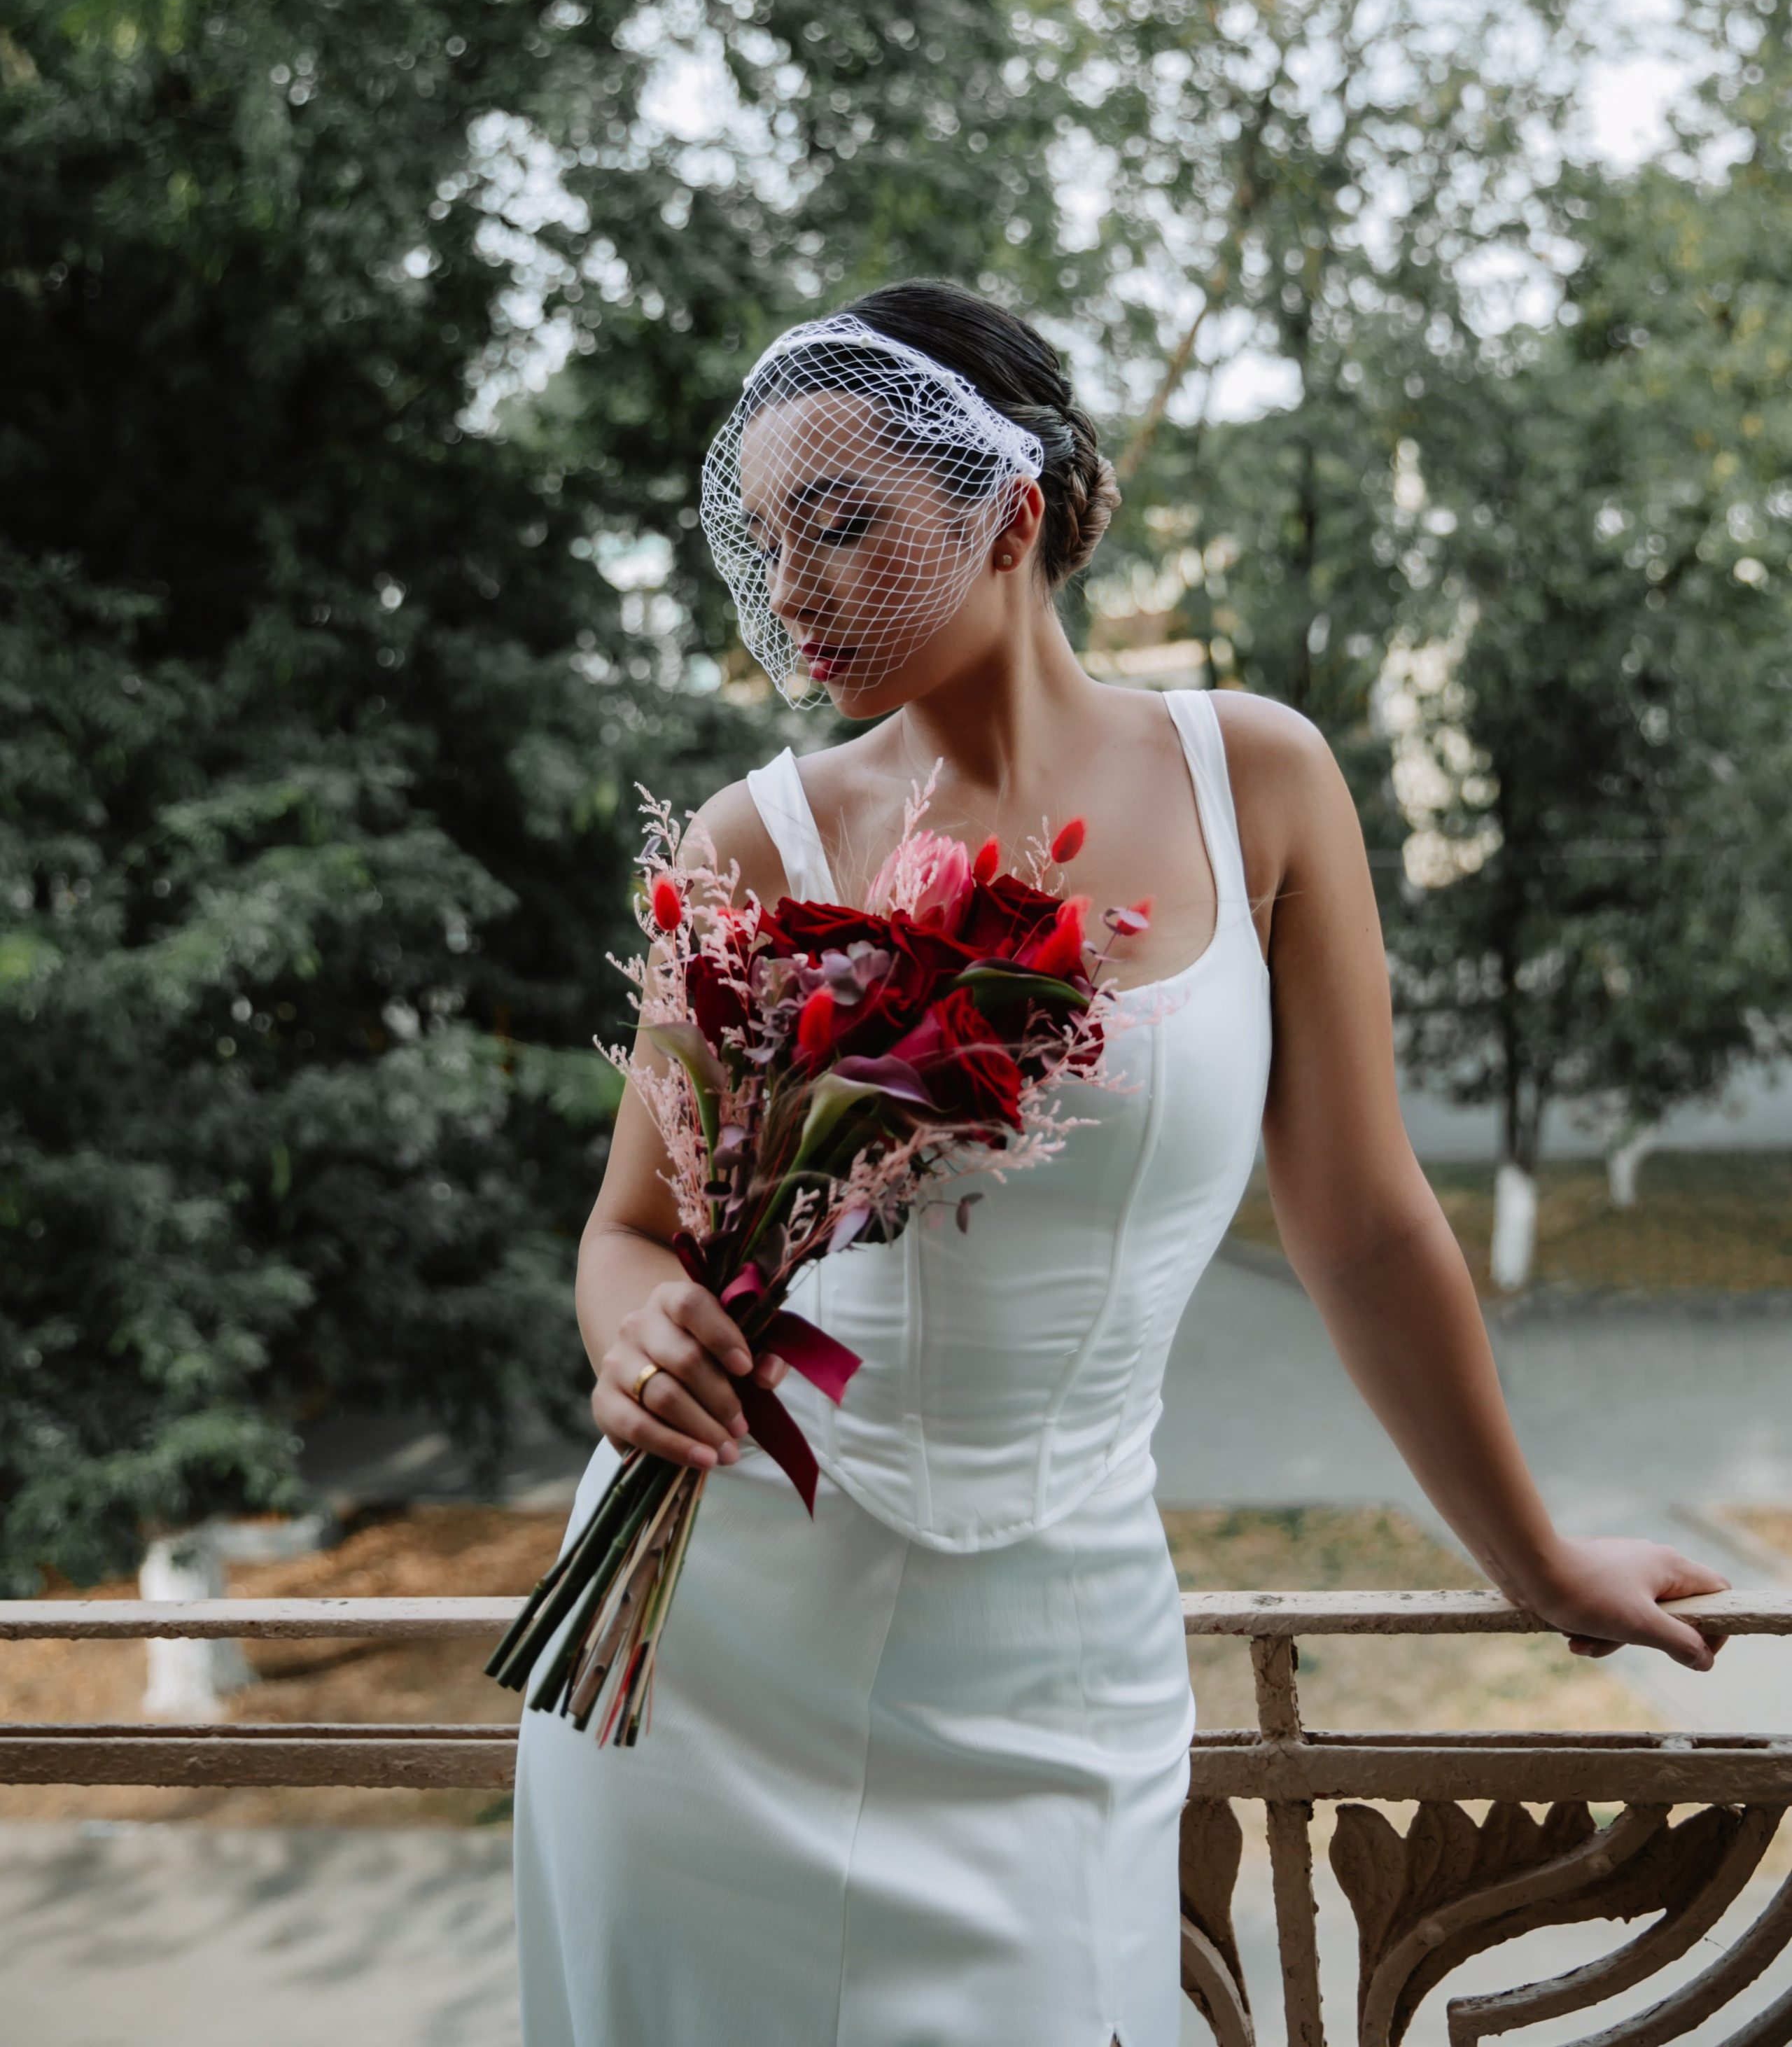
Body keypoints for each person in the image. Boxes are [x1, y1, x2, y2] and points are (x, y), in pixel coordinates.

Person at [513, 282, 1724, 2047]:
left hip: (1053, 1654)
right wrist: (629, 1332)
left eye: (839, 525)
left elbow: (1368, 1224)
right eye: (766, 540)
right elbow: (630, 1235)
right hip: (712, 1657)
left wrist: (1533, 1562)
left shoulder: (1261, 783)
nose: (788, 588)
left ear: (1009, 511)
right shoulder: (752, 843)